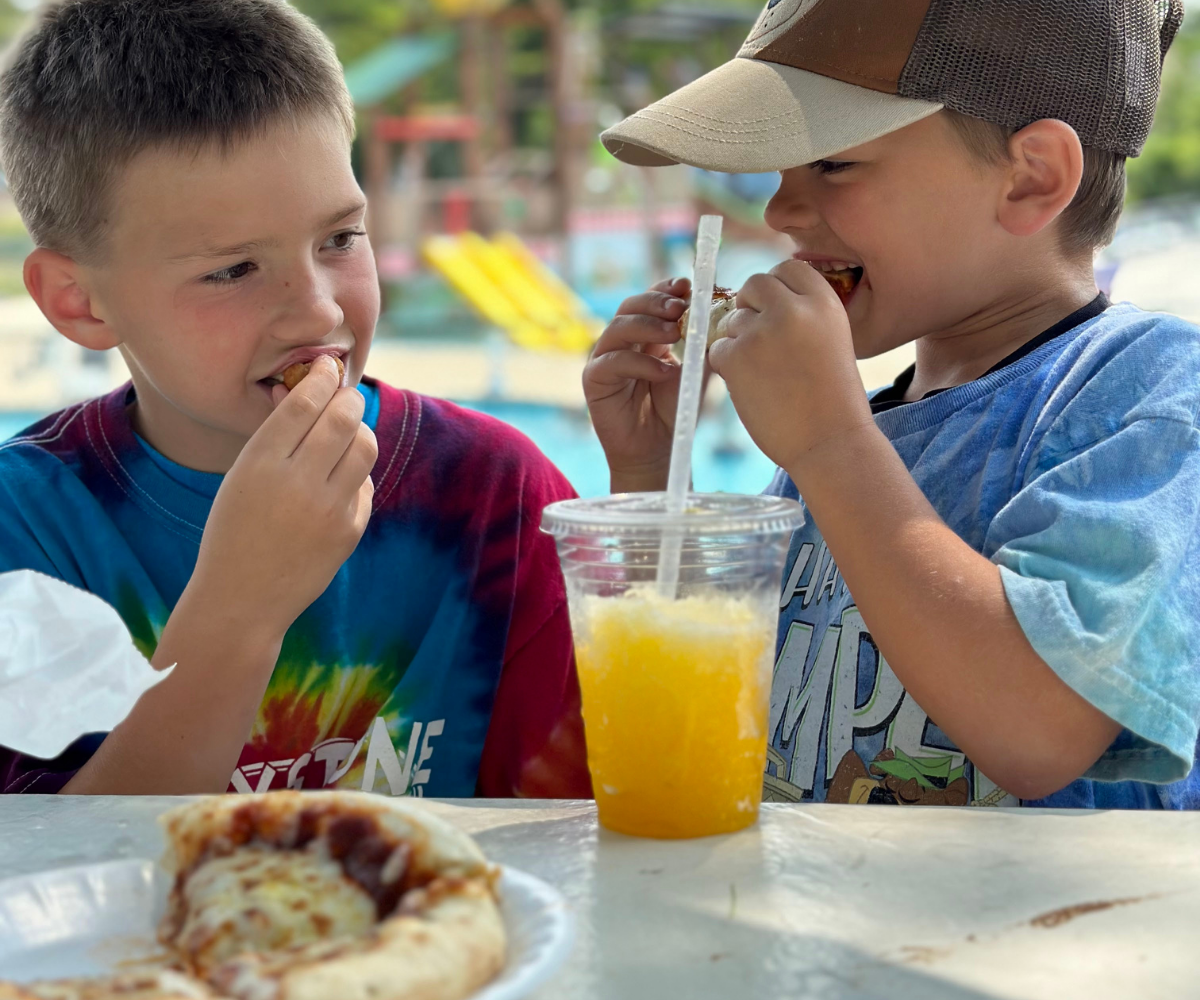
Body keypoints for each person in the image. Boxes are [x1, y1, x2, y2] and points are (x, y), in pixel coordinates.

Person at [587, 0, 1200, 808]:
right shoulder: (859, 429)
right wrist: (653, 472)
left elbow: (1043, 729)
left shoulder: (1148, 393)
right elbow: (713, 703)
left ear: (1032, 177)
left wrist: (830, 445)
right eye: (782, 171)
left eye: (833, 165)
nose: (779, 212)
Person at [0, 0, 590, 799]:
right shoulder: (26, 529)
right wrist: (239, 610)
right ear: (80, 302)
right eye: (233, 269)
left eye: (340, 239)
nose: (318, 310)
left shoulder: (495, 494)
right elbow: (46, 883)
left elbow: (586, 838)